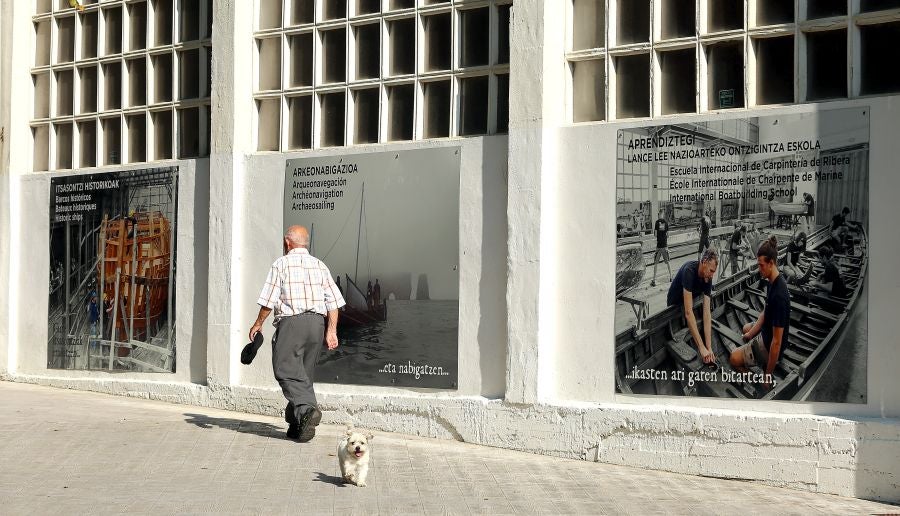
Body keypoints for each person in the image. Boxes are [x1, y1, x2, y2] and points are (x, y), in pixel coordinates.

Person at [249, 225, 345, 442]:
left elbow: (268, 300)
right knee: (303, 374)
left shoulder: (281, 264)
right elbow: (334, 302)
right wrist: (331, 331)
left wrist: (258, 324)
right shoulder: (320, 265)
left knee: (285, 369)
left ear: (286, 242)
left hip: (292, 323)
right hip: (317, 324)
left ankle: (306, 409)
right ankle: (297, 426)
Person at [729, 236, 791, 391]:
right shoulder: (772, 280)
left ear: (771, 263)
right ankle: (755, 346)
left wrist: (768, 376)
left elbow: (776, 342)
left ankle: (757, 380)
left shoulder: (779, 296)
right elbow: (765, 312)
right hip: (766, 333)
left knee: (734, 358)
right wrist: (750, 334)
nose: (759, 269)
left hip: (770, 344)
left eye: (761, 265)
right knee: (745, 328)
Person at [667, 248, 719, 365]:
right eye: (711, 271)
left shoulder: (707, 277)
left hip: (688, 301)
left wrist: (709, 347)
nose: (712, 275)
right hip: (674, 306)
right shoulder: (689, 271)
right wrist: (701, 347)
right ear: (704, 262)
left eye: (714, 272)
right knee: (688, 317)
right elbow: (688, 313)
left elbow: (706, 313)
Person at [649, 210, 672, 287]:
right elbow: (668, 235)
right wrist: (664, 235)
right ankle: (671, 277)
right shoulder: (666, 222)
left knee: (655, 263)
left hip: (658, 246)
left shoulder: (656, 222)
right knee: (668, 262)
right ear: (663, 214)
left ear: (659, 214)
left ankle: (654, 280)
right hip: (665, 245)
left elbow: (655, 234)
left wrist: (659, 234)